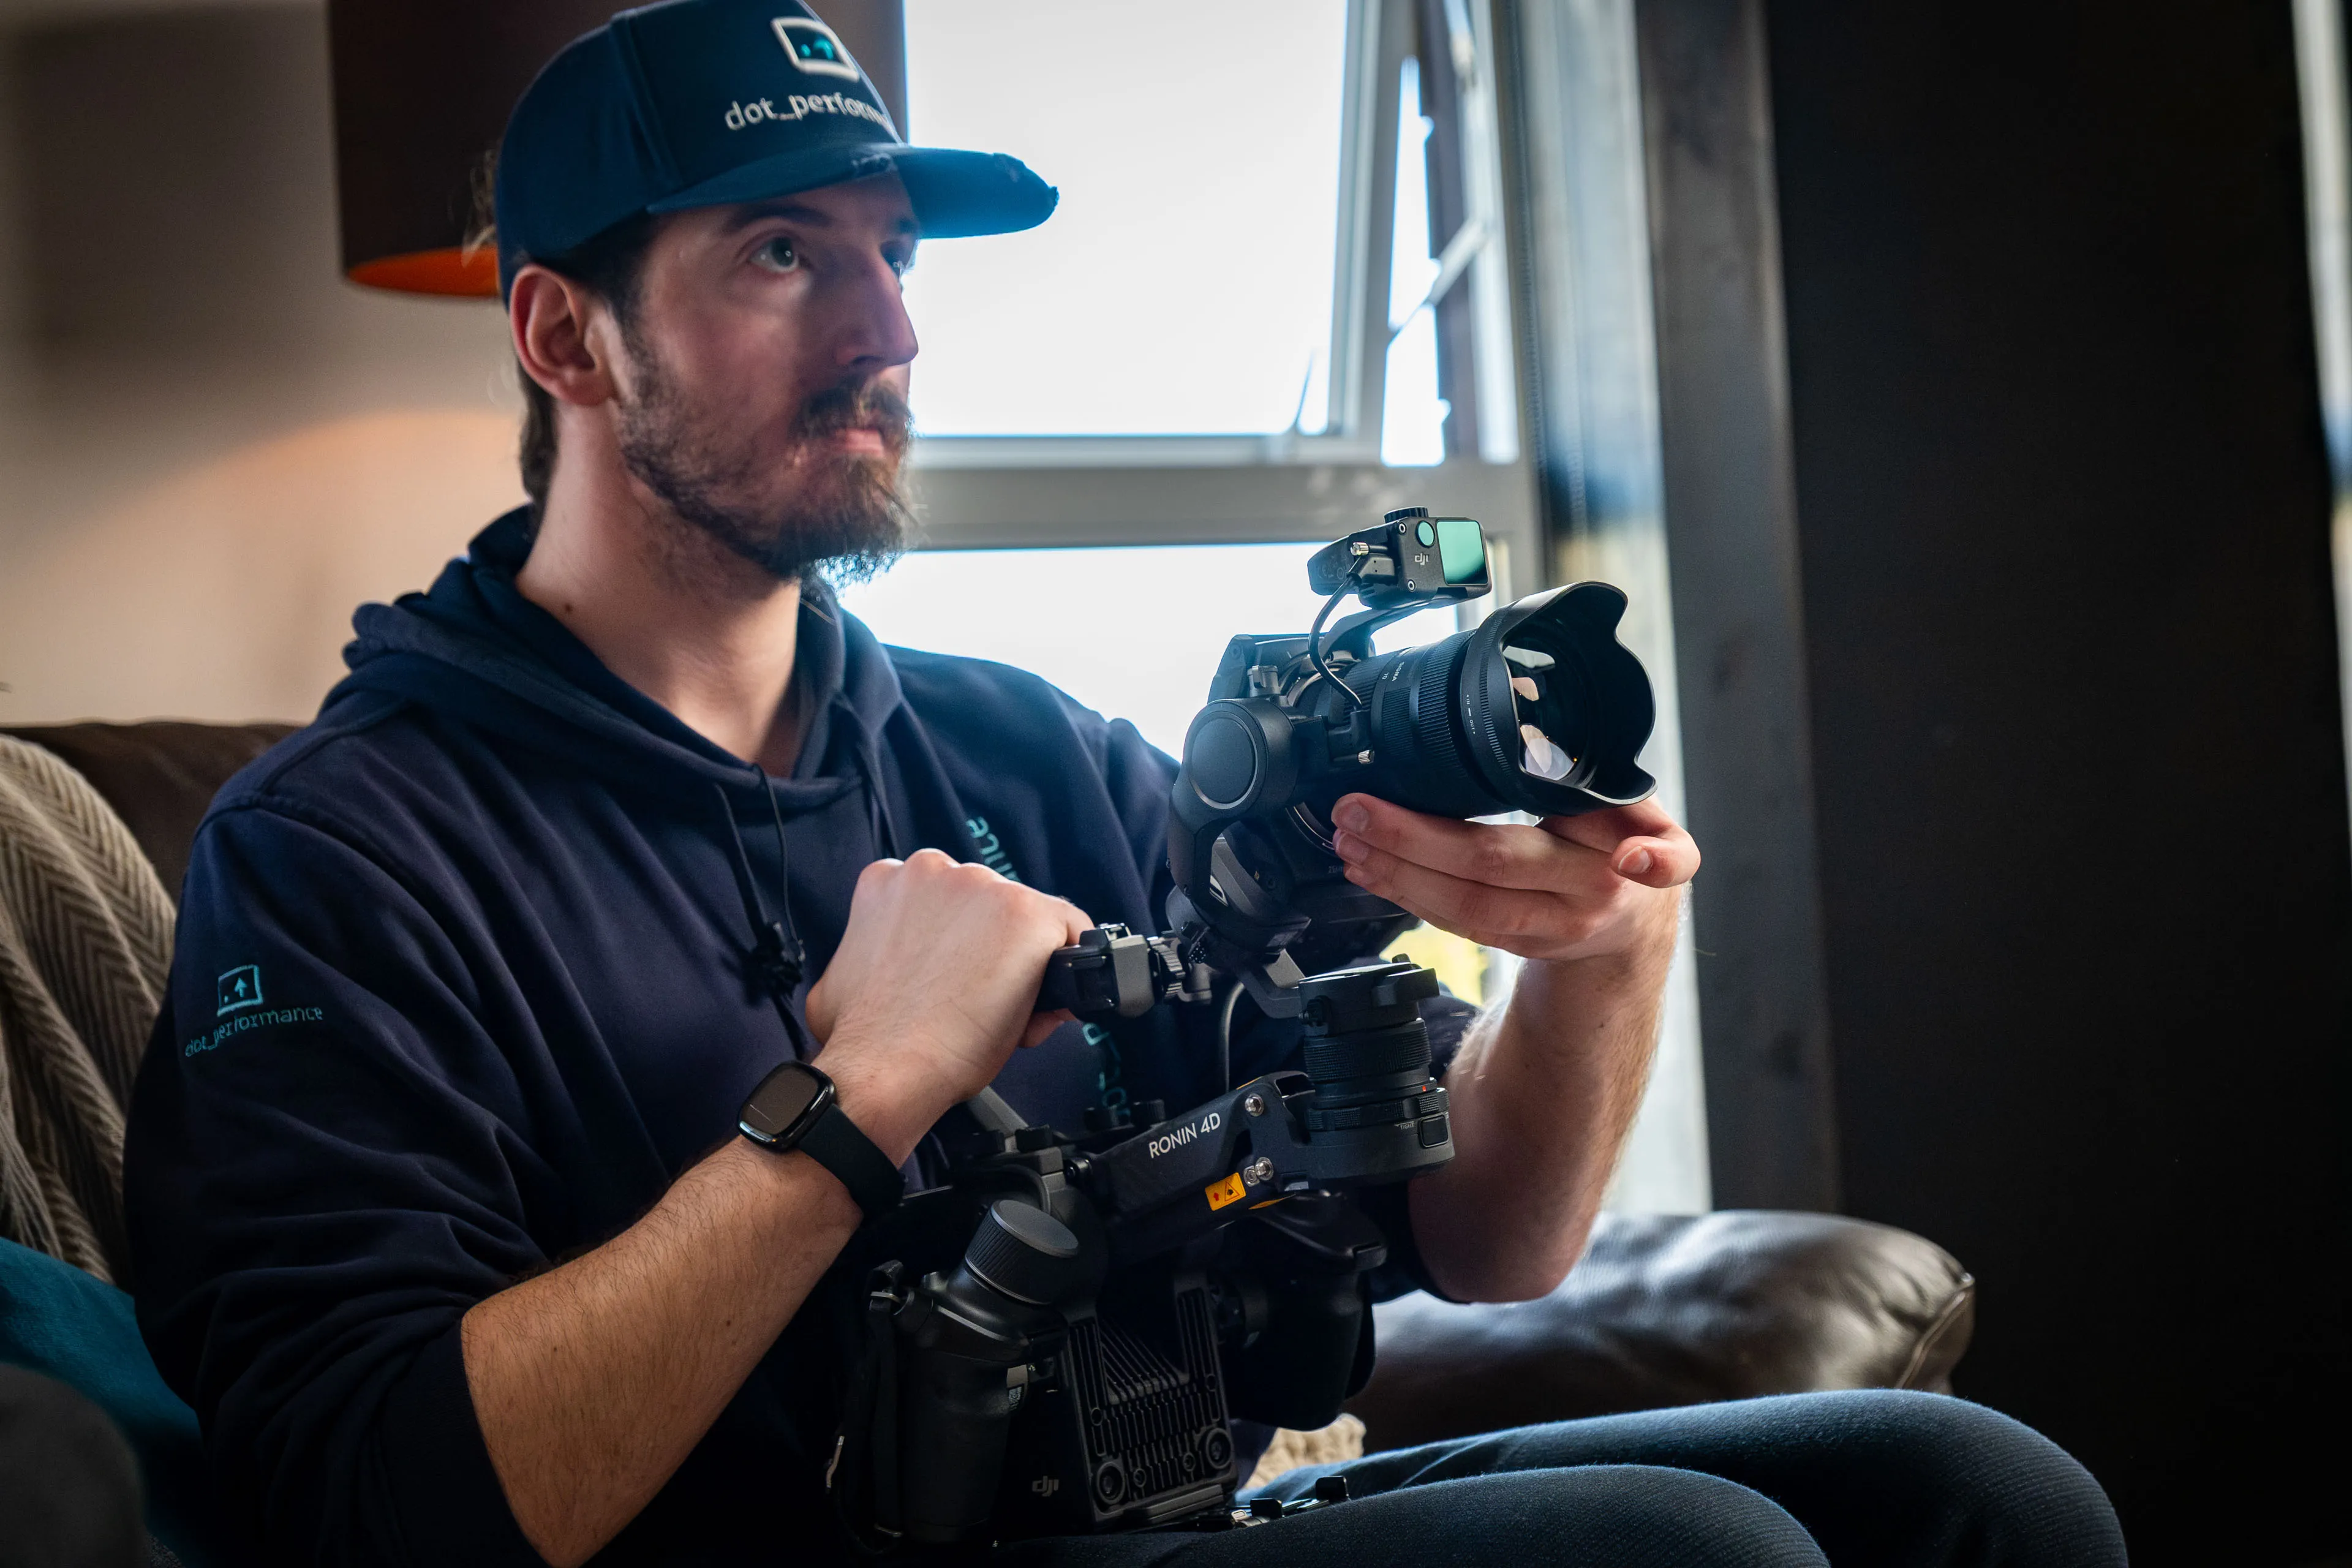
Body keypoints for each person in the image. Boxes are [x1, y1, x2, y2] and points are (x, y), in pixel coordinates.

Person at [123, 4, 2125, 1565]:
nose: (891, 327)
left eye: (894, 257)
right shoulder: (343, 854)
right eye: (781, 254)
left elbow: (1476, 1240)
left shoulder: (1017, 746)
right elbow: (389, 1508)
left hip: (1169, 1512)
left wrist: (1603, 956)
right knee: (1686, 1555)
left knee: (1973, 1494)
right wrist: (863, 1096)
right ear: (565, 330)